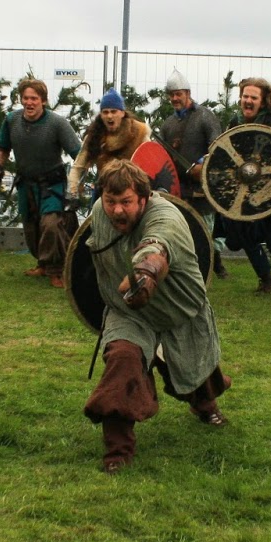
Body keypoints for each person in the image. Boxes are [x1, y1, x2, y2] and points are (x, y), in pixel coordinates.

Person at [79, 160, 230, 473]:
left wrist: (145, 275)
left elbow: (156, 248)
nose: (117, 210)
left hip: (177, 308)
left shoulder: (166, 216)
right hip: (128, 311)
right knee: (122, 358)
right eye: (110, 201)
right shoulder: (99, 213)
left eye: (126, 202)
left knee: (195, 366)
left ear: (144, 198)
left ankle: (205, 405)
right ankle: (118, 451)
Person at [0, 77, 82, 288]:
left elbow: (79, 155)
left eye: (34, 98)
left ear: (43, 100)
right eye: (26, 98)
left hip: (52, 183)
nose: (29, 102)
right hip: (26, 183)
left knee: (51, 225)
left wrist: (75, 186)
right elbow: (2, 147)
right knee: (31, 228)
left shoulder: (57, 124)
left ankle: (57, 270)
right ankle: (43, 264)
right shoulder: (12, 120)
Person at [221, 77, 271, 293]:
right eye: (245, 96)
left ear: (263, 101)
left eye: (253, 97)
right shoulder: (235, 122)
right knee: (241, 233)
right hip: (244, 189)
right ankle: (265, 278)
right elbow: (226, 152)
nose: (248, 101)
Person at [154, 68, 226, 277]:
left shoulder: (204, 116)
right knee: (184, 231)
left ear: (188, 93)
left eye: (178, 94)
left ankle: (213, 265)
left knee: (205, 232)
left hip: (202, 186)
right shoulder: (168, 124)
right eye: (171, 95)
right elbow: (161, 156)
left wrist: (202, 164)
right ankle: (190, 270)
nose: (175, 98)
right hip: (179, 187)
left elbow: (218, 146)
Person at [67, 87, 151, 204]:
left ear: (122, 113)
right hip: (105, 192)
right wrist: (72, 193)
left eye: (113, 111)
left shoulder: (139, 132)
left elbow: (151, 162)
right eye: (105, 112)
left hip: (133, 192)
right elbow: (78, 167)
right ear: (101, 115)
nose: (109, 116)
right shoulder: (94, 137)